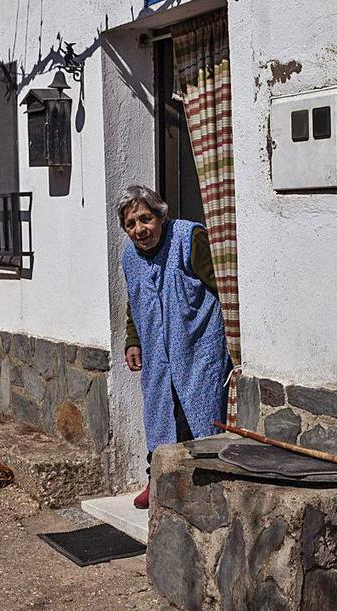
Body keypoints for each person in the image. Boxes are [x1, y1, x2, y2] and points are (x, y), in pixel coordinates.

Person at [118, 185, 230, 509]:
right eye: (131, 224)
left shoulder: (189, 238)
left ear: (160, 215)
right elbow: (134, 301)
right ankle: (158, 480)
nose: (140, 229)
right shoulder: (130, 257)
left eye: (145, 219)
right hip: (157, 350)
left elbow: (223, 286)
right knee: (160, 413)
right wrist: (133, 341)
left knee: (198, 413)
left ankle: (204, 484)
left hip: (198, 345)